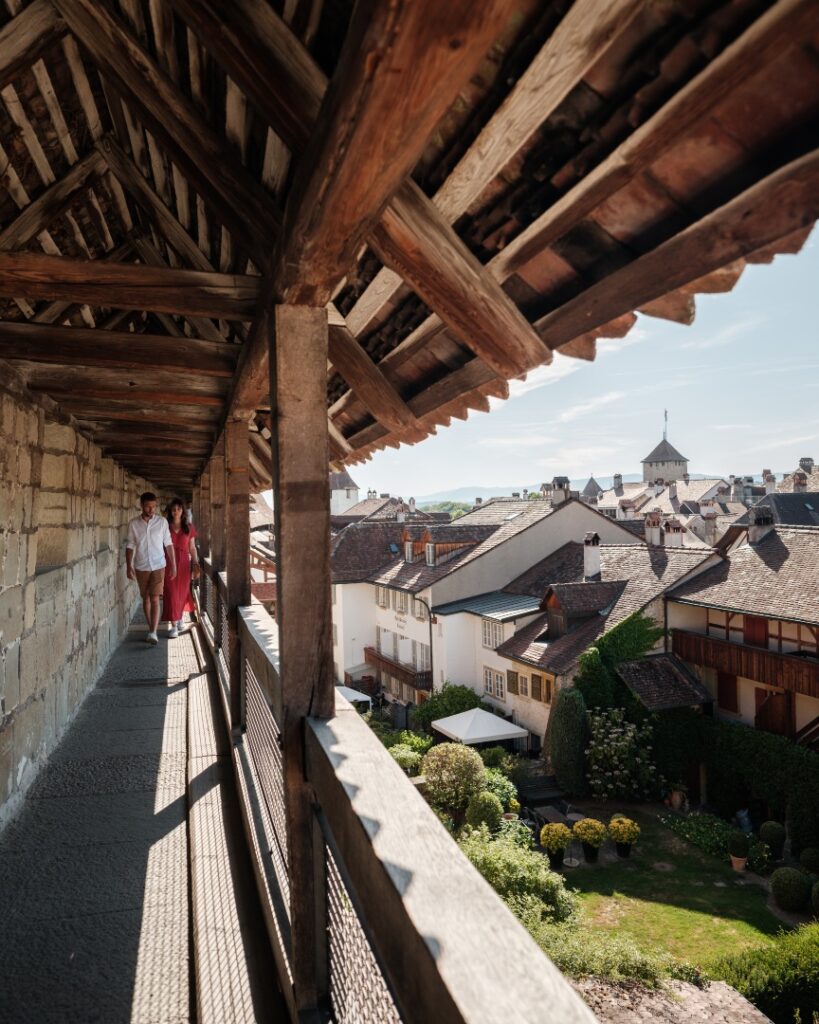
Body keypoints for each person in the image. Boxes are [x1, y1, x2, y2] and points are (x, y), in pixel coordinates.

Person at [126, 492, 177, 645]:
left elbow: (168, 544)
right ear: (141, 505)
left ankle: (153, 632)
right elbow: (129, 546)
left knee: (155, 598)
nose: (151, 509)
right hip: (141, 566)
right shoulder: (134, 524)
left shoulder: (161, 522)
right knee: (146, 598)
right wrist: (128, 566)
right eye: (148, 506)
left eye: (154, 506)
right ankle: (151, 628)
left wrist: (173, 565)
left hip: (158, 565)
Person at [162, 497, 199, 638]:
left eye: (178, 509)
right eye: (173, 509)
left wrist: (195, 562)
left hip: (184, 564)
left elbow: (192, 547)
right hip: (168, 562)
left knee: (182, 593)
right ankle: (174, 626)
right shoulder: (165, 526)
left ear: (182, 511)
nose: (176, 512)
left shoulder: (188, 527)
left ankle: (180, 618)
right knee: (171, 594)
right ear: (170, 512)